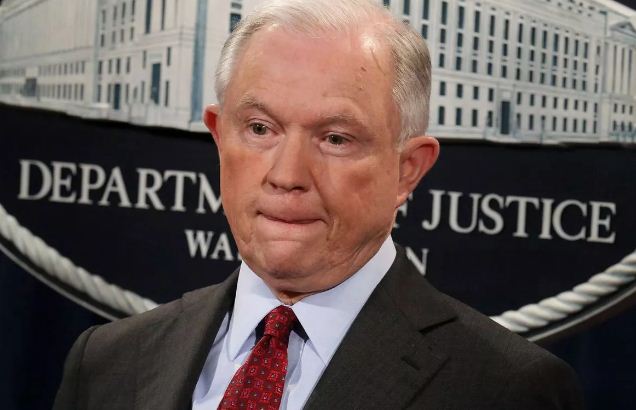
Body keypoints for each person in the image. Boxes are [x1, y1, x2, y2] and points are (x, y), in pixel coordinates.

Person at [54, 0, 584, 409]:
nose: (287, 175)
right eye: (260, 128)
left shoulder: (504, 390)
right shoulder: (108, 362)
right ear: (219, 136)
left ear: (408, 169)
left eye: (335, 138)